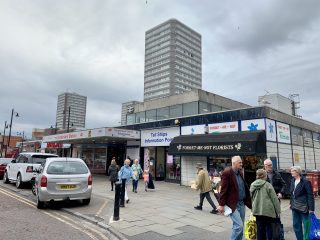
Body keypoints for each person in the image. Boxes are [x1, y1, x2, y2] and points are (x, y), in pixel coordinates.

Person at [217, 156, 252, 240]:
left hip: (241, 203)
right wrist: (221, 205)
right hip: (233, 204)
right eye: (239, 162)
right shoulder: (227, 173)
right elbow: (223, 190)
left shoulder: (240, 172)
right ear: (234, 163)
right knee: (239, 226)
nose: (241, 164)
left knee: (240, 226)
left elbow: (243, 187)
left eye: (241, 162)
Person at [250, 169, 281, 240]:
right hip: (268, 211)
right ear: (264, 176)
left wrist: (252, 207)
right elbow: (274, 199)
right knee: (269, 229)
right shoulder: (268, 185)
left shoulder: (253, 184)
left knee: (260, 229)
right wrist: (278, 211)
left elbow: (251, 197)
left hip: (257, 210)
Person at [290, 166, 314, 240]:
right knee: (296, 225)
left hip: (304, 207)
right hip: (294, 207)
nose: (291, 172)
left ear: (298, 172)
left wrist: (311, 208)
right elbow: (292, 194)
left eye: (293, 171)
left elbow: (310, 195)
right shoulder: (292, 181)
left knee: (306, 226)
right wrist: (291, 203)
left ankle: (306, 238)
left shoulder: (306, 182)